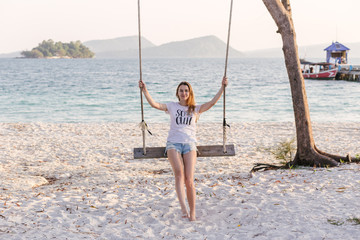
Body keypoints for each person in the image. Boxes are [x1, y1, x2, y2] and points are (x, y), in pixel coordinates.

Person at [138, 77, 228, 221]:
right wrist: (145, 90)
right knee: (179, 174)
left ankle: (192, 212)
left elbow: (212, 103)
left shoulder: (195, 108)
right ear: (177, 93)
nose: (184, 93)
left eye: (186, 90)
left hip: (190, 144)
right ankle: (183, 207)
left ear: (189, 93)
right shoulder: (172, 106)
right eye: (181, 90)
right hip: (173, 144)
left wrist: (222, 88)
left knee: (189, 180)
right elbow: (154, 104)